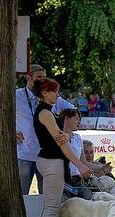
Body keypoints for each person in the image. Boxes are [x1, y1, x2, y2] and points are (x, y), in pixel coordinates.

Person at [32, 78, 90, 217]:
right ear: (44, 93)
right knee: (51, 208)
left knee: (51, 207)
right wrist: (80, 164)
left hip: (51, 161)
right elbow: (61, 142)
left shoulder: (48, 112)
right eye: (54, 91)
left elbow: (61, 138)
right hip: (52, 162)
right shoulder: (46, 113)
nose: (57, 94)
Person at [16, 64, 74, 195]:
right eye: (39, 77)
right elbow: (2, 117)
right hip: (25, 154)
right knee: (21, 196)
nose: (43, 80)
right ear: (28, 77)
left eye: (45, 77)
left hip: (48, 157)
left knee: (48, 197)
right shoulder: (16, 96)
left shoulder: (51, 96)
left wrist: (67, 133)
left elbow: (73, 112)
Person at [59, 109, 110, 201]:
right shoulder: (57, 136)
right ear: (66, 119)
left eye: (80, 119)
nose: (79, 122)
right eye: (76, 119)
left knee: (91, 203)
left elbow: (85, 163)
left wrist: (102, 167)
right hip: (62, 182)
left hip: (77, 181)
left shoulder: (78, 138)